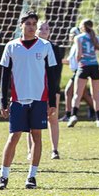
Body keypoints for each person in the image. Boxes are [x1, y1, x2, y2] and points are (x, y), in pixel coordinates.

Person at [0, 11, 57, 190]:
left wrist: (52, 102)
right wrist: (3, 101)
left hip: (39, 99)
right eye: (28, 23)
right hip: (18, 99)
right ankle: (3, 176)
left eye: (34, 24)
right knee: (14, 136)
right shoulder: (11, 46)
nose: (31, 27)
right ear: (21, 25)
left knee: (36, 135)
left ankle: (32, 176)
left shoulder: (45, 46)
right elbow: (4, 76)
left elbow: (51, 76)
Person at [65, 19, 99, 127]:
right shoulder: (96, 38)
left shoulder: (78, 38)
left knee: (77, 94)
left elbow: (78, 54)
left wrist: (79, 62)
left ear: (82, 27)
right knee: (95, 95)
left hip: (83, 66)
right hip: (94, 66)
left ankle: (73, 116)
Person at [38, 19, 65, 159]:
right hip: (35, 88)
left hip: (52, 88)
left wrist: (53, 90)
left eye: (46, 29)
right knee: (34, 120)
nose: (44, 31)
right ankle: (31, 151)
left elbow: (57, 71)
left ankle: (54, 150)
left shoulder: (54, 48)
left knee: (52, 117)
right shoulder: (31, 46)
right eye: (41, 28)